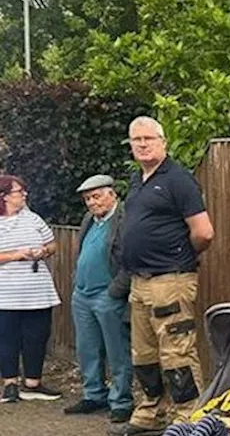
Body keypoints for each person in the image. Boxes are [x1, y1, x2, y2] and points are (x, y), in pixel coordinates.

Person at [111, 116, 215, 436]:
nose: (142, 144)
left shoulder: (178, 180)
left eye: (149, 139)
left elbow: (204, 233)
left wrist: (179, 257)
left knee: (177, 351)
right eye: (136, 140)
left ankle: (187, 417)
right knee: (143, 353)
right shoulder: (137, 179)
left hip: (170, 279)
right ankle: (150, 412)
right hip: (139, 282)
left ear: (163, 142)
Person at [65, 174, 133, 420]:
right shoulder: (89, 220)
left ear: (112, 194)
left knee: (117, 350)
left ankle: (121, 401)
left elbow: (131, 258)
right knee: (87, 349)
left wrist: (117, 290)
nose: (92, 203)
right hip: (82, 294)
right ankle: (93, 395)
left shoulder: (124, 218)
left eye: (96, 196)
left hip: (108, 294)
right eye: (87, 199)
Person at [0, 174, 62, 403]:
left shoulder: (34, 219)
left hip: (37, 291)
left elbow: (52, 244)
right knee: (7, 338)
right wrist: (16, 255)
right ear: (4, 197)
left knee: (36, 336)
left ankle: (33, 383)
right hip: (5, 293)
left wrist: (42, 252)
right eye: (19, 192)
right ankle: (10, 384)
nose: (24, 195)